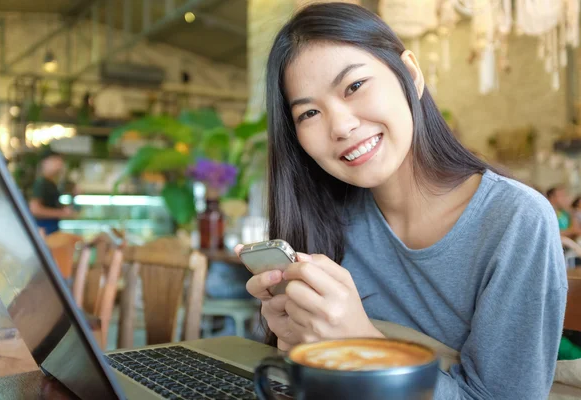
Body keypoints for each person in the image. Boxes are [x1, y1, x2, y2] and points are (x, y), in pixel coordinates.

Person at [236, 3, 567, 399]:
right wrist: (300, 346)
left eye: (354, 86)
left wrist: (362, 344)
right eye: (309, 112)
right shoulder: (326, 220)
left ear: (410, 75)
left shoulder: (516, 220)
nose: (341, 126)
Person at [29, 148, 74, 236]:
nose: (60, 164)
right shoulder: (41, 183)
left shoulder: (51, 183)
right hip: (44, 231)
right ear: (45, 162)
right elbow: (34, 209)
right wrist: (61, 213)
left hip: (52, 230)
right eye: (55, 160)